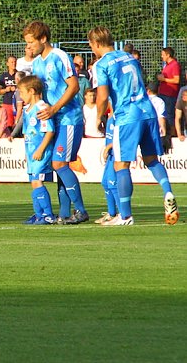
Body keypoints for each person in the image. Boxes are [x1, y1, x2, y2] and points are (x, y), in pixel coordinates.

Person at [88, 26, 178, 225]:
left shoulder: (101, 64)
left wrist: (99, 116)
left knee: (121, 164)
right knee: (151, 159)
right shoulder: (129, 57)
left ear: (95, 43)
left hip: (127, 115)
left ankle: (125, 216)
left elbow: (102, 95)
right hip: (148, 111)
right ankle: (168, 192)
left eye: (91, 46)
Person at [22, 20, 87, 224]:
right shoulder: (37, 63)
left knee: (59, 163)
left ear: (43, 39)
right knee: (58, 165)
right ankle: (64, 213)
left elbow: (74, 86)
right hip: (51, 120)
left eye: (31, 42)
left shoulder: (59, 56)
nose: (28, 47)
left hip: (68, 118)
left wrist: (54, 108)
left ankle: (81, 210)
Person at [17, 75, 56, 225]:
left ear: (32, 91)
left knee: (37, 181)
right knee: (33, 182)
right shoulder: (27, 110)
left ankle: (48, 215)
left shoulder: (42, 108)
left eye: (22, 92)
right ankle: (39, 214)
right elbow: (26, 132)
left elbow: (49, 131)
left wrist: (40, 150)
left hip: (41, 152)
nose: (21, 96)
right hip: (31, 153)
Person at [157, 47, 181, 134]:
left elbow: (176, 80)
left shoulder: (175, 65)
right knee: (164, 115)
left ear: (168, 55)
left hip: (170, 95)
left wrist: (164, 79)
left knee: (170, 116)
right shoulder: (167, 65)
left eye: (163, 55)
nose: (162, 56)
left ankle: (173, 135)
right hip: (163, 94)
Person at [0, 55, 18, 128]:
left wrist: (16, 89)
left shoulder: (19, 74)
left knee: (17, 124)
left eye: (15, 62)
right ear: (7, 64)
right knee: (8, 125)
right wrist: (6, 89)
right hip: (7, 103)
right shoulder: (4, 75)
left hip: (17, 104)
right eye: (12, 62)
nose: (14, 64)